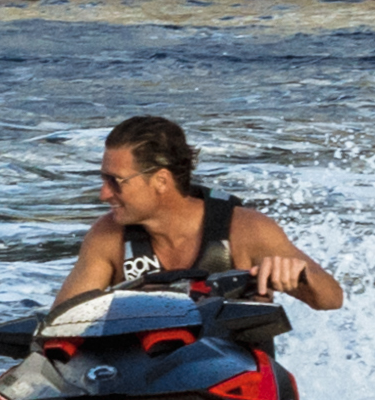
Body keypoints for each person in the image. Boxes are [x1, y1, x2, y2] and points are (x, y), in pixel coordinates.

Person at [48, 112, 339, 317]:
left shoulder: (246, 230)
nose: (104, 194)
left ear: (161, 181)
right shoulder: (107, 237)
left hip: (237, 390)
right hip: (144, 388)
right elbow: (60, 325)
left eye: (116, 181)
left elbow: (330, 299)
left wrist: (300, 276)